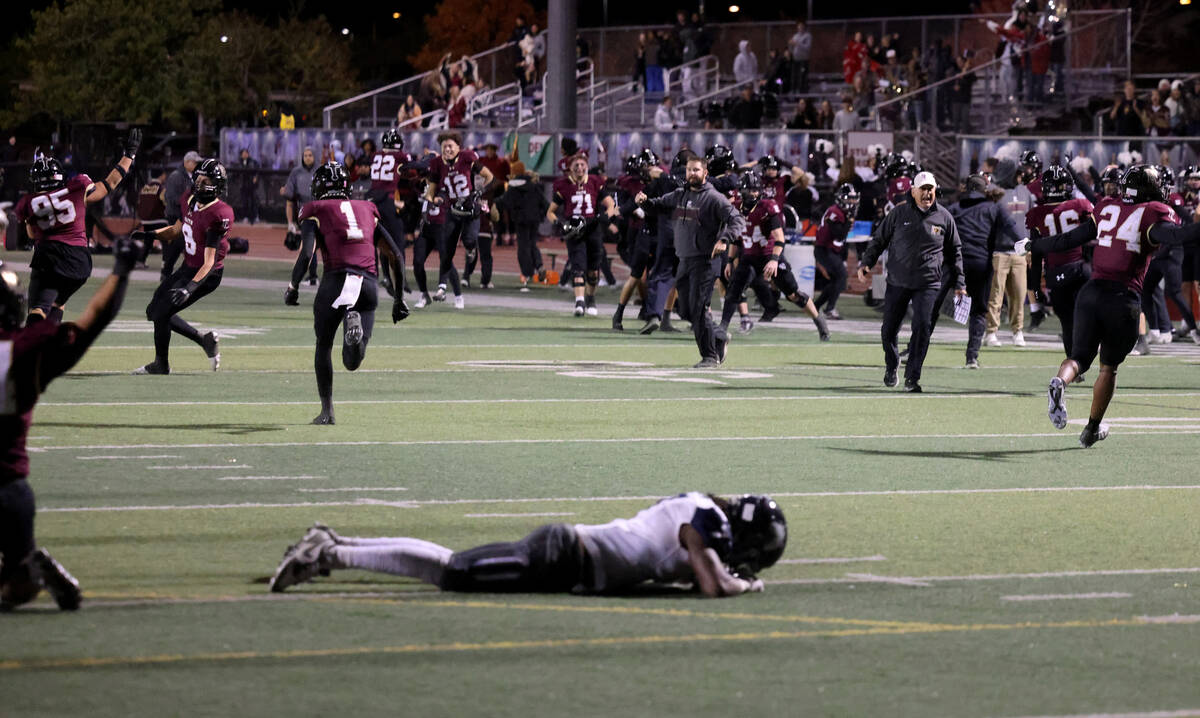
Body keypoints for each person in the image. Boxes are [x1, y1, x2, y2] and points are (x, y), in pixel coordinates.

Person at [270, 493, 787, 598]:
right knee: (454, 572)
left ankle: (332, 544)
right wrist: (749, 583)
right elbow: (713, 585)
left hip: (568, 561)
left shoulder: (702, 511)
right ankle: (330, 553)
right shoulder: (705, 518)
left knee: (456, 568)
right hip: (561, 554)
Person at [0, 236, 141, 611]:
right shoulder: (25, 351)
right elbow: (93, 322)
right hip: (10, 492)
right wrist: (121, 271)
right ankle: (24, 570)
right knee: (16, 592)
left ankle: (22, 570)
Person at [1028, 164, 1200, 447]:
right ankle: (1091, 429)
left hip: (1090, 292)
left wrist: (1034, 246)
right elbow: (1178, 237)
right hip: (1123, 299)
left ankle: (1061, 380)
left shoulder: (1107, 206)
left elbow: (1069, 238)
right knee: (1108, 368)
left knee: (1080, 358)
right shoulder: (1154, 211)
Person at [295, 163, 408, 425]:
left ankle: (327, 411)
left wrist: (293, 286)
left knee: (323, 346)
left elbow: (306, 253)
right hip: (368, 285)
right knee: (352, 361)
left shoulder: (317, 210)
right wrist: (399, 299)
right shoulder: (367, 208)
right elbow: (396, 256)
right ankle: (354, 333)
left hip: (335, 281)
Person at [14, 131, 140, 325]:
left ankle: (34, 347)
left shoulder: (27, 202)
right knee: (58, 302)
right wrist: (129, 154)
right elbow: (111, 182)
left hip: (49, 257)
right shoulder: (78, 187)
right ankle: (50, 340)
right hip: (79, 261)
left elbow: (32, 234)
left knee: (38, 307)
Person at [856, 171, 965, 392]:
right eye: (923, 189)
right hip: (898, 281)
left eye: (930, 189)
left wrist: (960, 283)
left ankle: (912, 377)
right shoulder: (898, 213)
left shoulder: (944, 217)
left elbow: (955, 252)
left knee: (923, 328)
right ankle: (892, 363)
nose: (927, 193)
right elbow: (879, 240)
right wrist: (867, 263)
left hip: (928, 283)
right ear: (913, 191)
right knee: (888, 330)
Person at [636, 153, 745, 368]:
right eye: (689, 170)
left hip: (705, 262)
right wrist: (645, 202)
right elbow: (658, 205)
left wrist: (724, 239)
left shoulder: (713, 198)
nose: (691, 173)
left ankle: (710, 356)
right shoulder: (680, 195)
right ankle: (718, 337)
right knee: (685, 310)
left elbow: (737, 220)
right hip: (684, 260)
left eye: (696, 170)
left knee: (699, 308)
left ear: (705, 173)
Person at [129, 159, 229, 375]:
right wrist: (150, 235)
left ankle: (162, 363)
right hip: (188, 266)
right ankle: (201, 342)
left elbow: (209, 262)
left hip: (206, 274)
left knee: (162, 312)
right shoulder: (190, 199)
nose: (201, 183)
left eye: (207, 180)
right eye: (199, 178)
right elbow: (176, 230)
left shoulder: (218, 213)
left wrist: (189, 288)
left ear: (217, 185)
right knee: (154, 310)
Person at [720, 172, 829, 342]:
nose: (751, 194)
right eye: (748, 190)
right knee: (734, 291)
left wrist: (774, 260)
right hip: (749, 257)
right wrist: (729, 260)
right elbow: (736, 239)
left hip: (769, 256)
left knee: (793, 295)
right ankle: (722, 328)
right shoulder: (736, 209)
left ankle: (819, 321)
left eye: (754, 190)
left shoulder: (767, 207)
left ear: (760, 191)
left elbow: (779, 238)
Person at [945, 173, 1023, 369]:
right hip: (981, 264)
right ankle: (972, 357)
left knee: (932, 306)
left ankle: (915, 349)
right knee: (979, 311)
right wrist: (1027, 246)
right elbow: (1012, 229)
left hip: (956, 264)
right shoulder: (995, 208)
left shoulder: (954, 209)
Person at [426, 132, 494, 307]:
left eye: (450, 146)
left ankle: (471, 250)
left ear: (458, 147)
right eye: (444, 146)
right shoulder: (437, 164)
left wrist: (479, 191)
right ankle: (441, 286)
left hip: (470, 207)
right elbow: (431, 191)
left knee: (469, 239)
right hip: (452, 209)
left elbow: (489, 176)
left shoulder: (466, 158)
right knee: (446, 249)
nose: (447, 149)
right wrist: (432, 199)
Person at [548, 154, 618, 317]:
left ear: (586, 165)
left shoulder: (595, 181)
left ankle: (590, 298)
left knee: (593, 270)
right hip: (574, 230)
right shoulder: (564, 185)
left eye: (582, 164)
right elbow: (550, 212)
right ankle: (579, 302)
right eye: (576, 165)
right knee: (578, 266)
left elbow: (610, 205)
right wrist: (561, 224)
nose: (579, 168)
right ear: (570, 168)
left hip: (592, 229)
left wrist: (603, 218)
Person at [492, 160, 547, 293]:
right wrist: (541, 215)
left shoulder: (514, 186)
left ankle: (527, 274)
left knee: (523, 247)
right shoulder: (534, 185)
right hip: (534, 220)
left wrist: (493, 203)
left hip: (521, 220)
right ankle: (539, 266)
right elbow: (545, 203)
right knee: (532, 244)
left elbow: (505, 201)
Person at [813, 183, 857, 320]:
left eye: (853, 198)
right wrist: (849, 222)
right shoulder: (835, 212)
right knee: (841, 276)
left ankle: (815, 306)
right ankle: (829, 309)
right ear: (842, 198)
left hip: (830, 250)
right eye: (849, 198)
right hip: (824, 249)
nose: (852, 202)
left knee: (835, 280)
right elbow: (839, 234)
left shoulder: (842, 212)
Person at [283, 146, 318, 299]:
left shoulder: (320, 171)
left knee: (315, 247)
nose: (308, 157)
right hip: (305, 213)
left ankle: (313, 276)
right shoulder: (296, 173)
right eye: (305, 155)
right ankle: (312, 276)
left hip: (322, 211)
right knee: (310, 246)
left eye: (310, 155)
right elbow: (289, 199)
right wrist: (290, 222)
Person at [161, 150, 200, 281]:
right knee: (179, 244)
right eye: (195, 162)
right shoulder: (176, 176)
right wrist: (187, 202)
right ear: (187, 162)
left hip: (185, 215)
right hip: (176, 215)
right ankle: (167, 271)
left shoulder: (191, 177)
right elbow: (170, 197)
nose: (196, 165)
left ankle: (170, 272)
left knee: (182, 245)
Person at [235, 148, 260, 224]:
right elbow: (236, 174)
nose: (245, 154)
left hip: (252, 185)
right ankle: (245, 217)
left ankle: (255, 217)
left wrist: (256, 178)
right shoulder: (239, 163)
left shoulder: (253, 162)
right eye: (243, 153)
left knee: (253, 201)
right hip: (243, 185)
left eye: (246, 153)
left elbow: (257, 171)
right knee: (244, 202)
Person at [789, 21, 812, 95]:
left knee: (802, 76)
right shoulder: (795, 36)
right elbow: (791, 47)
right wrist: (791, 46)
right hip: (796, 59)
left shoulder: (807, 36)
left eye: (801, 26)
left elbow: (807, 48)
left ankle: (802, 91)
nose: (800, 28)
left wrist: (797, 43)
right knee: (794, 75)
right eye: (799, 26)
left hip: (803, 59)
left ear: (804, 27)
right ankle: (794, 90)